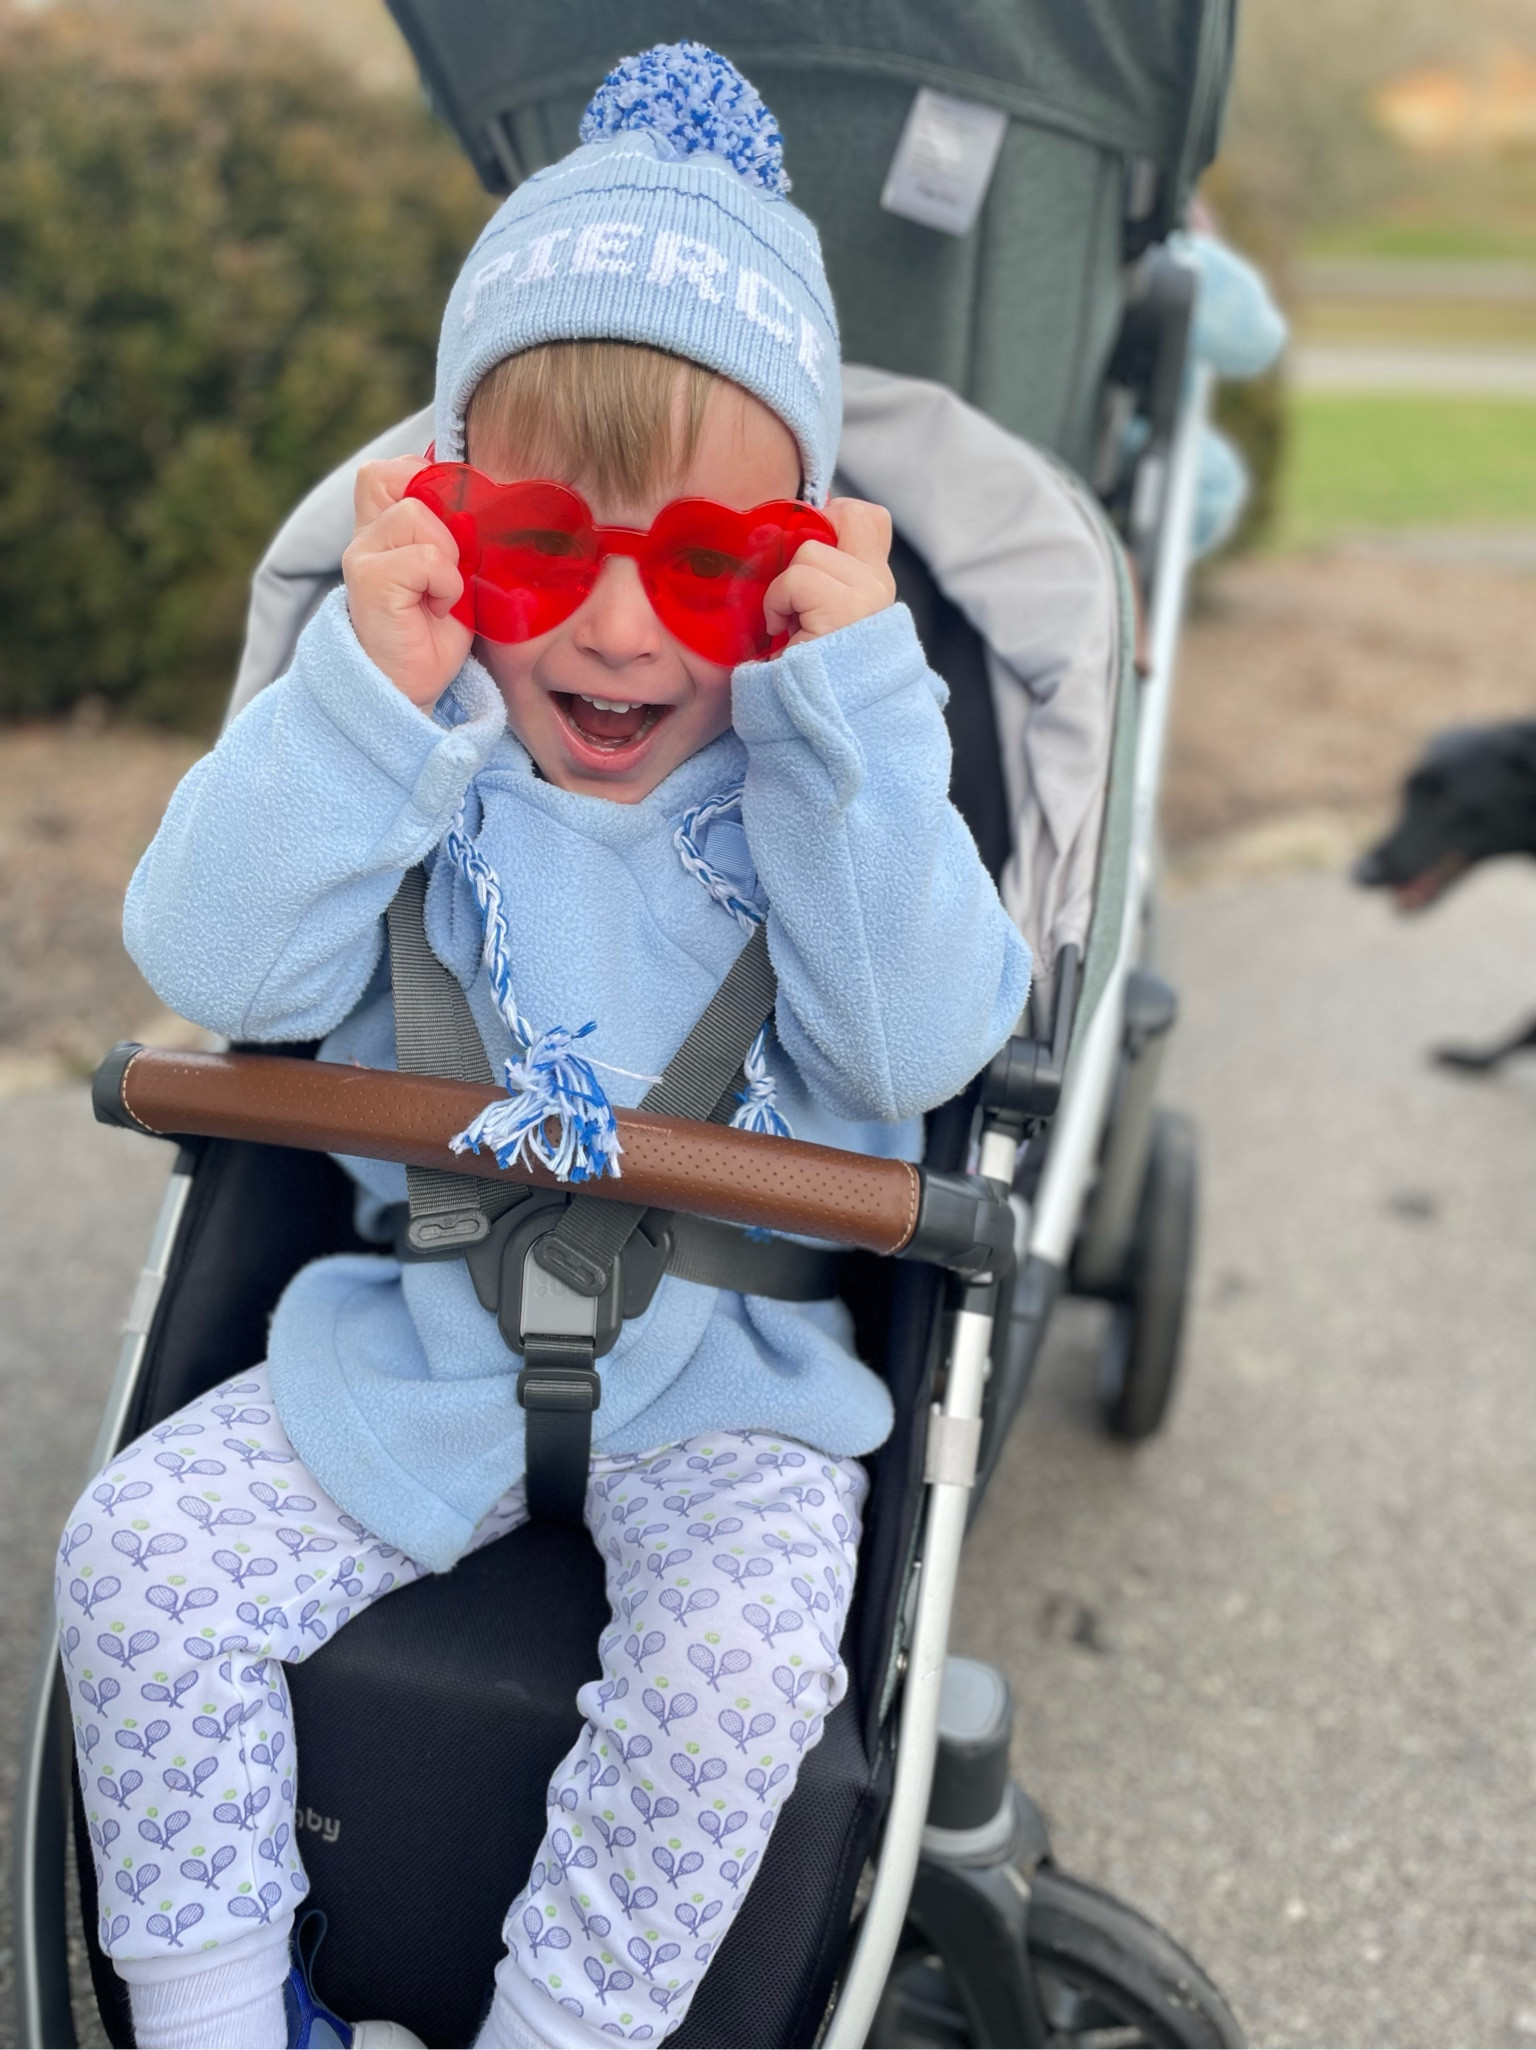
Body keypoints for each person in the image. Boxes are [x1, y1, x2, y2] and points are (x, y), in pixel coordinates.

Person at [57, 43, 1030, 2050]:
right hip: (415, 1337)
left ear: (794, 568)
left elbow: (933, 1032)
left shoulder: (822, 786)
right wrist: (364, 699)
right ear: (440, 528)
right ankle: (227, 2014)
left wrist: (855, 707)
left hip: (732, 1370)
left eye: (701, 566)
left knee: (739, 1662)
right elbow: (208, 952)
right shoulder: (410, 750)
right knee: (135, 1565)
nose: (611, 627)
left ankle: (564, 2026)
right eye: (534, 549)